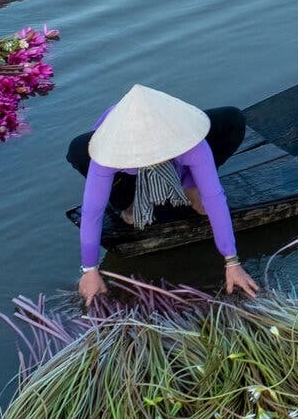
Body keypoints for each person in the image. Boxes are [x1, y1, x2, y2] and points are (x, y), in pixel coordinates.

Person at [68, 84, 258, 304]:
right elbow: (93, 211)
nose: (152, 158)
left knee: (233, 118)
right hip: (128, 173)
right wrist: (90, 269)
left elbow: (215, 198)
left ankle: (189, 184)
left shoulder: (188, 142)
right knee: (79, 148)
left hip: (176, 155)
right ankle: (126, 202)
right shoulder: (110, 149)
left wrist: (232, 262)